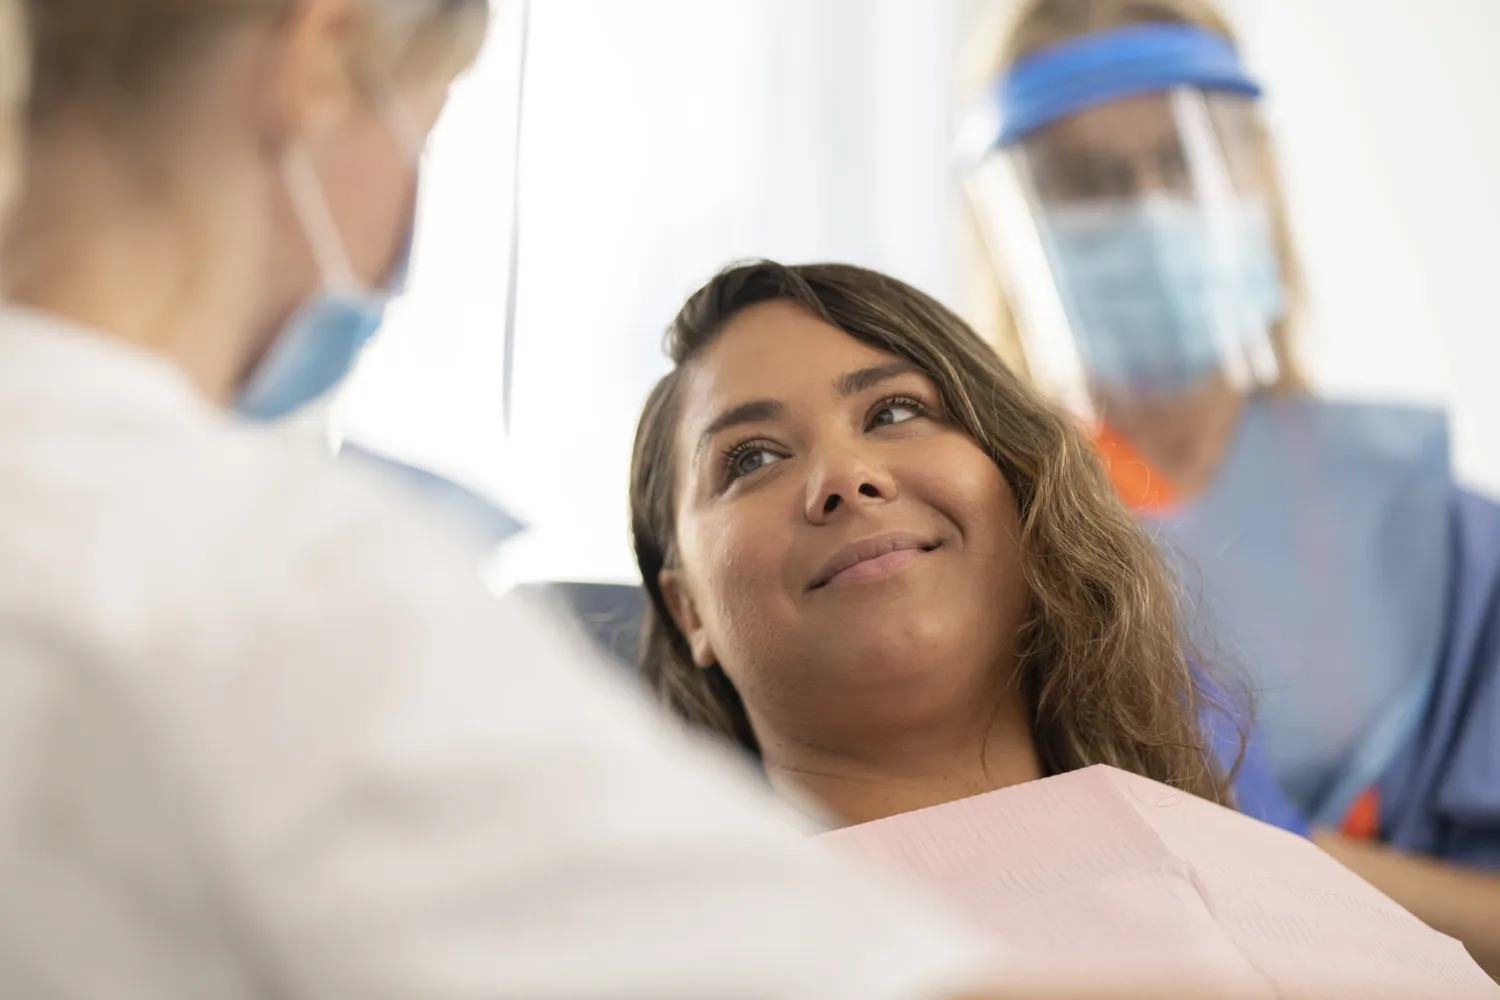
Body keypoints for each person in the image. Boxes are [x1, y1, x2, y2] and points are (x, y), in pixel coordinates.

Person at [0, 1, 1095, 996]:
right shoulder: (272, 587)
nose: (848, 480)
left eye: (897, 413)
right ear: (321, 59)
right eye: (423, 128)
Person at [624, 259, 1497, 993]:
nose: (844, 476)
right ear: (688, 609)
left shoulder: (1329, 923)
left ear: (1023, 491)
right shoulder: (653, 956)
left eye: (894, 412)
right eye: (751, 458)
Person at [956, 0, 1500, 974]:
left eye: (1181, 160)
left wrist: (1264, 861)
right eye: (1087, 184)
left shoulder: (1445, 538)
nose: (1149, 210)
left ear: (1259, 180)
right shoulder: (977, 546)